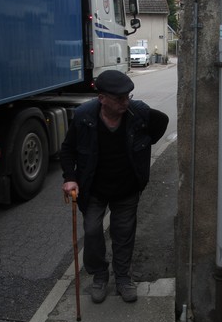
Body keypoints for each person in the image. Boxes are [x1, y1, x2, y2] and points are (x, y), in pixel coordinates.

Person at [60, 70, 169, 304]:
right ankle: (99, 275)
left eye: (128, 96)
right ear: (102, 99)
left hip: (127, 187)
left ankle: (123, 278)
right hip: (94, 188)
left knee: (123, 234)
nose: (125, 102)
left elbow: (162, 122)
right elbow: (68, 150)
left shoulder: (137, 112)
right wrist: (70, 178)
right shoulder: (83, 116)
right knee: (92, 230)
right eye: (119, 98)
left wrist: (143, 144)